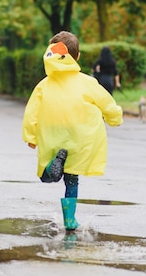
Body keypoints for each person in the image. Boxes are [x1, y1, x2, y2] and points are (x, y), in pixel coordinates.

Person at [22, 31, 123, 232]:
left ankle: (53, 166)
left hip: (52, 134)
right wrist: (115, 118)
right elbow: (107, 104)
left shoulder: (44, 84)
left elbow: (32, 112)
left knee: (46, 176)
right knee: (72, 178)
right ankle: (70, 220)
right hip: (78, 136)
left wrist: (31, 136)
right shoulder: (87, 82)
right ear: (77, 57)